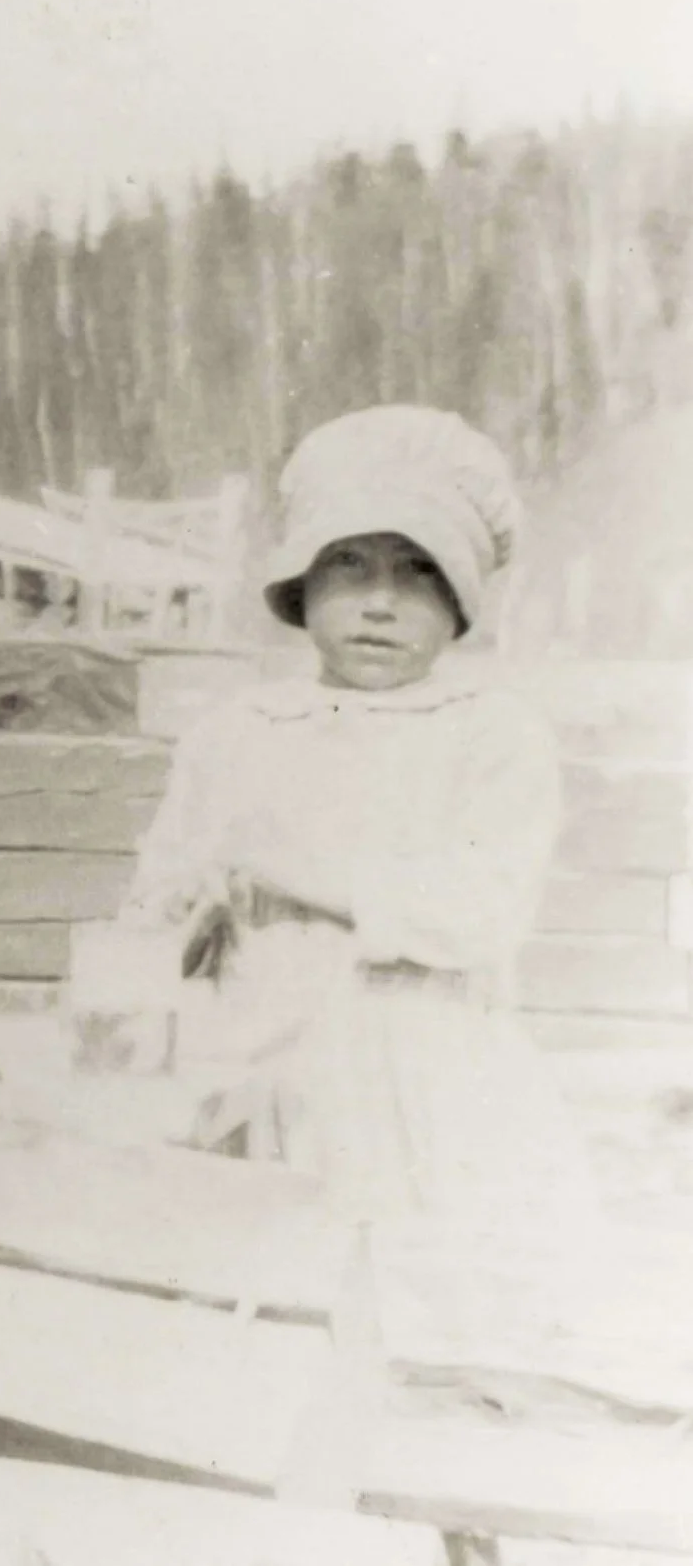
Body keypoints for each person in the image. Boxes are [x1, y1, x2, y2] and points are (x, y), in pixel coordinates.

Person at [119, 404, 596, 1219]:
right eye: (349, 564)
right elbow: (155, 911)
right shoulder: (234, 735)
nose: (382, 602)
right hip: (248, 1062)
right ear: (301, 585)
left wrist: (294, 869)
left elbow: (480, 911)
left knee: (420, 1284)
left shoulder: (490, 736)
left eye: (418, 570)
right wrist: (181, 919)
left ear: (461, 599)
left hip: (424, 1087)